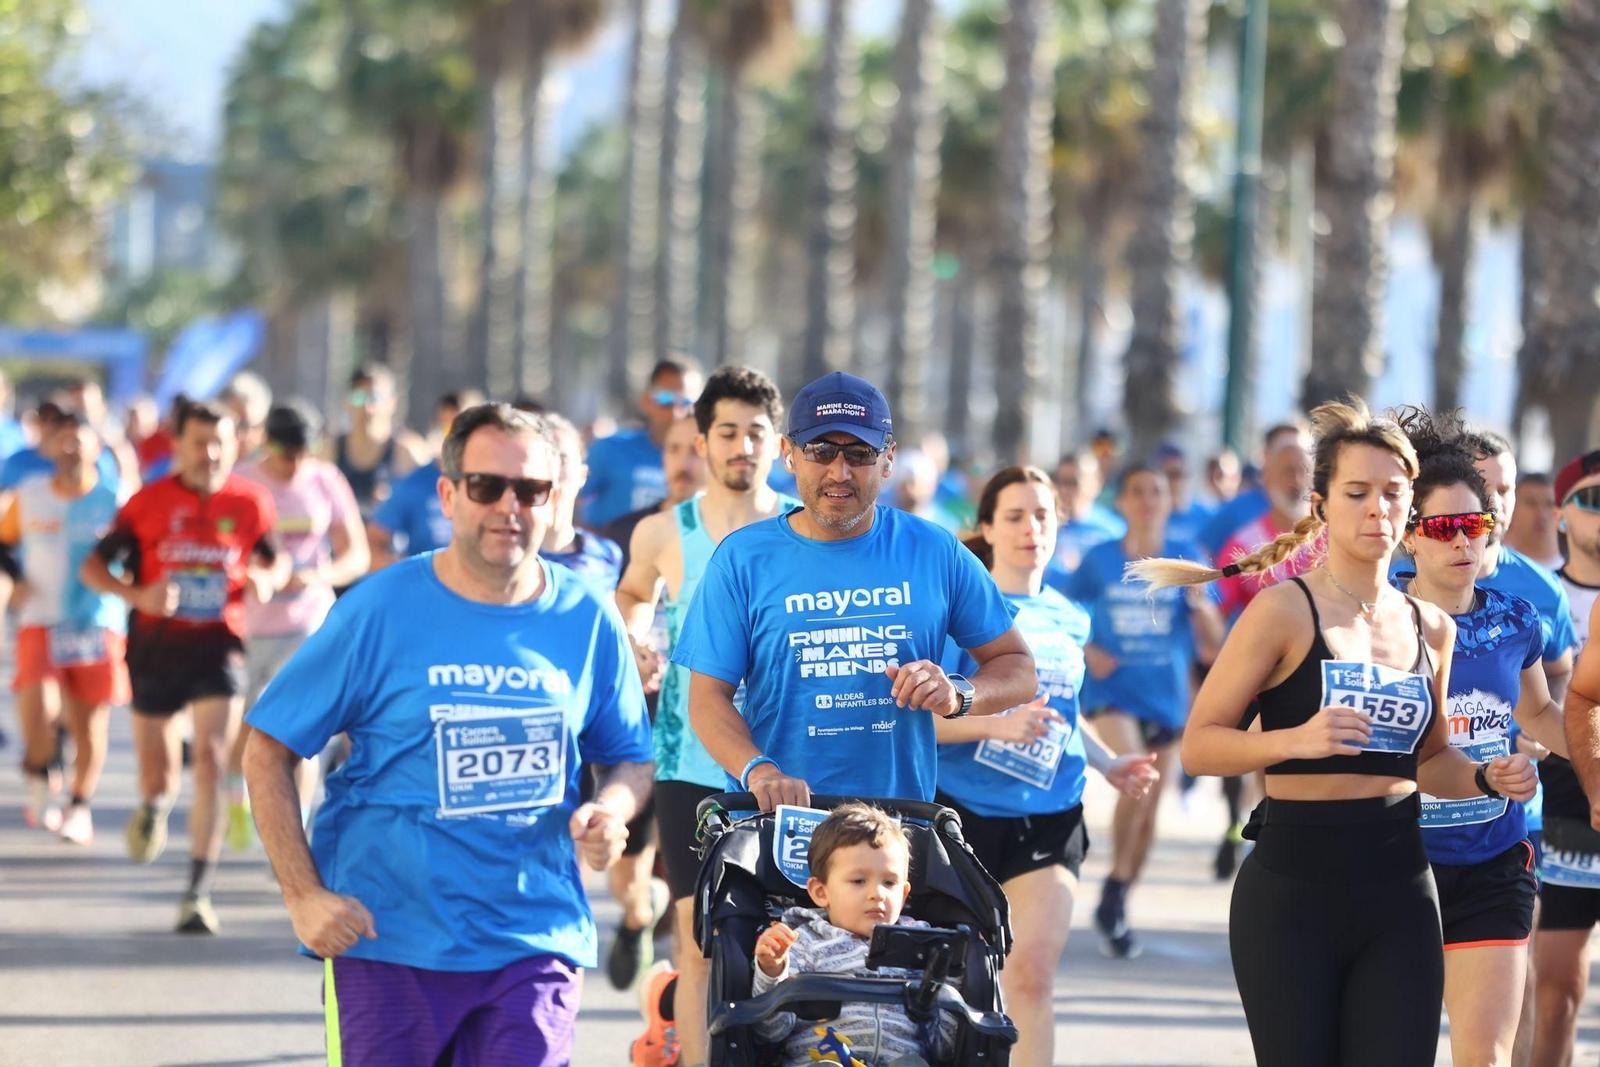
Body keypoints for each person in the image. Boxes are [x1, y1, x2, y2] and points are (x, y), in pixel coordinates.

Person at [1130, 398, 1537, 1067]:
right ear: (1321, 505)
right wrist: (1292, 740)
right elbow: (1201, 745)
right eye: (1358, 492)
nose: (1377, 507)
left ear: (1411, 512)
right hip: (1294, 892)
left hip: (1400, 887)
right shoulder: (1282, 611)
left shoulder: (1430, 627)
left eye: (1393, 493)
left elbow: (1429, 757)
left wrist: (1487, 775)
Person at [242, 403, 652, 1064]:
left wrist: (613, 807)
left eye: (530, 489)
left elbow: (629, 754)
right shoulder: (378, 608)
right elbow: (269, 747)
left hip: (533, 936)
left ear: (554, 499)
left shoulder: (585, 614)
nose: (508, 506)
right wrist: (303, 893)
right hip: (389, 938)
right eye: (487, 485)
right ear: (449, 494)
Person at [674, 370, 1035, 810]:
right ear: (788, 454)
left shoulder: (934, 550)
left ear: (888, 460)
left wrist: (959, 694)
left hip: (896, 829)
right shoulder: (742, 559)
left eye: (860, 453)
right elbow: (707, 699)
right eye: (821, 450)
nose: (839, 472)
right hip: (782, 819)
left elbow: (1018, 667)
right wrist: (759, 770)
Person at [933, 465, 1159, 1066]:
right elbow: (920, 722)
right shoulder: (960, 610)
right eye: (1015, 516)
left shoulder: (1070, 614)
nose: (1031, 528)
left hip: (1051, 814)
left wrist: (1110, 763)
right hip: (962, 816)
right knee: (958, 987)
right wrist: (994, 723)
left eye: (1043, 515)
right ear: (987, 526)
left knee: (1030, 975)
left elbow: (1064, 708)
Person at [616, 366, 797, 1066]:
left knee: (783, 939)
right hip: (689, 759)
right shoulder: (665, 530)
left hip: (784, 759)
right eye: (727, 431)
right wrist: (637, 642)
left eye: (756, 431)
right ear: (701, 440)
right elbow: (630, 594)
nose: (741, 445)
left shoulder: (797, 527)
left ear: (776, 442)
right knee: (696, 943)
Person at [1390, 409, 1568, 1067]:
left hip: (1496, 855)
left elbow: (1543, 713)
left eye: (1478, 523)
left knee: (1485, 1055)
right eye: (1445, 526)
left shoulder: (1516, 618)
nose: (1464, 540)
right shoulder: (1382, 624)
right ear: (1412, 536)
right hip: (1397, 861)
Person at [81, 399, 286, 934]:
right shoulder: (146, 503)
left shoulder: (250, 502)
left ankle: (197, 889)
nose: (211, 453)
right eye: (199, 442)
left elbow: (273, 557)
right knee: (159, 770)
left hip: (219, 647)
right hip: (154, 648)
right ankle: (153, 803)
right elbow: (93, 567)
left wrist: (268, 577)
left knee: (214, 760)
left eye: (221, 442)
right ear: (177, 445)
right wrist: (138, 594)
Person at [1065, 464, 1225, 959]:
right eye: (1137, 491)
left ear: (1168, 499)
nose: (1147, 500)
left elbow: (1214, 646)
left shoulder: (1187, 560)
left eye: (1155, 491)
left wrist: (1201, 607)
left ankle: (1119, 892)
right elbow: (1064, 615)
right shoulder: (1099, 559)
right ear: (1124, 501)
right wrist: (1088, 646)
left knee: (1150, 803)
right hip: (1112, 690)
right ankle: (1115, 885)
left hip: (1166, 694)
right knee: (1132, 766)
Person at [226, 402, 369, 852]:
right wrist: (251, 576)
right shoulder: (243, 480)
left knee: (304, 732)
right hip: (249, 625)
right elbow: (220, 548)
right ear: (268, 445)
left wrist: (318, 576)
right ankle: (236, 799)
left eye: (305, 454)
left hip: (308, 620)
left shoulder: (325, 480)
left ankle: (296, 835)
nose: (296, 465)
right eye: (288, 456)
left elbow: (356, 554)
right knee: (247, 730)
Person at [2, 409, 129, 843]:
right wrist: (15, 582)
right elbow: (3, 543)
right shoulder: (31, 493)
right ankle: (43, 766)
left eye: (81, 439)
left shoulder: (115, 498)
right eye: (64, 439)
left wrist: (129, 583)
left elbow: (139, 554)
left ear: (98, 447)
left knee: (89, 724)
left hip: (97, 623)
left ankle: (79, 805)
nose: (71, 447)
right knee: (37, 711)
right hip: (40, 620)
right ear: (53, 445)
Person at [751, 802, 957, 1067]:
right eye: (859, 881)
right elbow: (770, 1033)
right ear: (821, 892)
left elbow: (944, 1049)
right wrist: (772, 971)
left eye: (889, 883)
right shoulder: (803, 943)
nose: (877, 894)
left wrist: (951, 973)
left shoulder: (923, 947)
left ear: (904, 894)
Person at [1531, 448, 1600, 1066]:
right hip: (1567, 805)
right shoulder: (1536, 595)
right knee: (1555, 994)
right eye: (1595, 499)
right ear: (1562, 514)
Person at [581, 359, 703, 528]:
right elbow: (570, 500)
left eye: (685, 402)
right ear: (646, 400)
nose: (675, 412)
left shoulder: (709, 459)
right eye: (666, 399)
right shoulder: (609, 449)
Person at [1216, 437, 1316, 621]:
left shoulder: (1332, 538)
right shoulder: (1242, 545)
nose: (1298, 481)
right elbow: (1218, 615)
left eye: (1304, 471)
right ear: (1268, 477)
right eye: (1288, 471)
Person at [601, 412, 707, 574]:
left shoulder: (734, 537)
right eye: (673, 449)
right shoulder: (624, 533)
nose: (683, 464)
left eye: (696, 451)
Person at [325, 363, 429, 518]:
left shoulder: (408, 452)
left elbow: (429, 509)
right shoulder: (329, 451)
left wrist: (395, 501)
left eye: (376, 398)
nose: (368, 407)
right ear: (346, 402)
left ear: (392, 402)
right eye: (359, 398)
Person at [1197, 422, 1312, 557]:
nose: (1297, 479)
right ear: (1266, 459)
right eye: (1285, 449)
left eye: (1303, 466)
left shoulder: (1324, 518)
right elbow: (1202, 553)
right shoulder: (1237, 511)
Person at [540, 413, 624, 590]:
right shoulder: (507, 553)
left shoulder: (606, 554)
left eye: (562, 459)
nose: (552, 469)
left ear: (582, 475)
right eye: (542, 457)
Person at [1043, 449, 1125, 583]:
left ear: (1097, 482)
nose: (1065, 490)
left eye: (1074, 482)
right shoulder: (1043, 525)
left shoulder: (1115, 530)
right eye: (1061, 481)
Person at [1157, 444, 1216, 546]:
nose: (1177, 481)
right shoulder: (1151, 515)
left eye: (1181, 474)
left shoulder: (1206, 515)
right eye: (1171, 474)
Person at [1508, 472, 1563, 572]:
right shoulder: (1491, 565)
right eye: (1531, 503)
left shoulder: (1575, 574)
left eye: (1550, 504)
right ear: (1512, 508)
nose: (1542, 514)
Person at [219, 371, 274, 462]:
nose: (238, 435)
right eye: (231, 424)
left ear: (261, 430)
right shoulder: (209, 468)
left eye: (244, 426)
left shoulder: (273, 470)